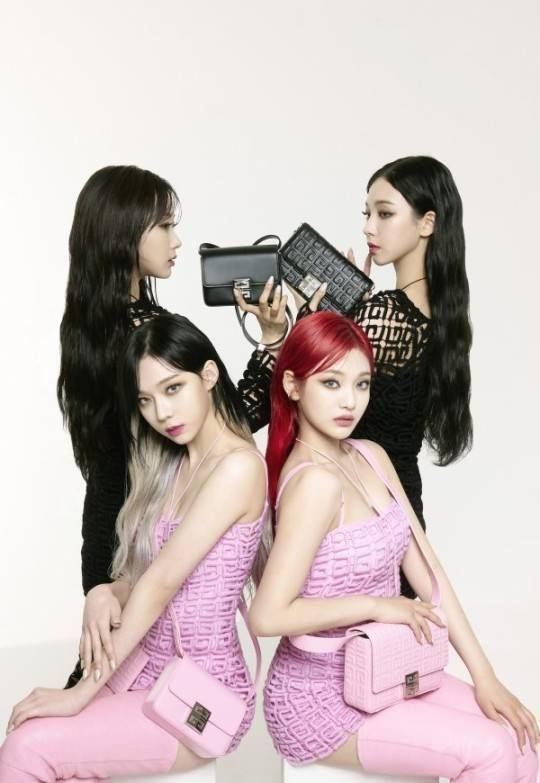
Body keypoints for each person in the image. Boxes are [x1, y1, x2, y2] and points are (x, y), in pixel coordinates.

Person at [251, 311, 538, 781]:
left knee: (519, 739)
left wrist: (485, 677)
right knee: (492, 750)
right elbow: (267, 616)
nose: (350, 401)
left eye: (362, 384)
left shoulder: (372, 456)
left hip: (388, 667)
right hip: (320, 699)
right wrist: (378, 606)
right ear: (293, 385)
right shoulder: (314, 484)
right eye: (331, 383)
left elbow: (430, 574)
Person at [1, 313, 269, 780]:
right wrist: (108, 591)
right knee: (36, 740)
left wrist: (79, 693)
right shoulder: (173, 463)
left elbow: (163, 582)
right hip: (143, 667)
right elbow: (143, 572)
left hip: (198, 691)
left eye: (173, 388)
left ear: (208, 375)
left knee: (28, 748)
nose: (162, 413)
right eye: (146, 400)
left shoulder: (238, 468)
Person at [57, 165, 286, 683]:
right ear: (124, 232)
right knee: (121, 694)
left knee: (104, 692)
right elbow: (230, 419)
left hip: (109, 536)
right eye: (163, 226)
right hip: (143, 544)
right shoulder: (146, 332)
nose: (176, 240)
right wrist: (273, 341)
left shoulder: (88, 328)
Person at [297, 156, 472, 597]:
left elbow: (300, 395)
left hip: (361, 519)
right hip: (402, 508)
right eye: (367, 214)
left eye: (385, 213)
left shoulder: (382, 313)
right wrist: (352, 312)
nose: (368, 228)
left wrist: (302, 325)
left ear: (427, 223)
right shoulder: (444, 317)